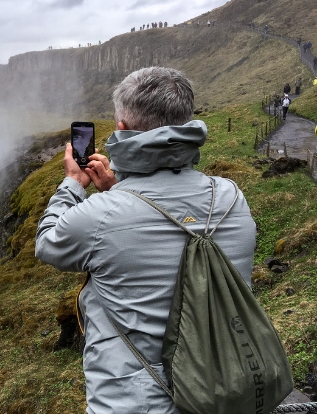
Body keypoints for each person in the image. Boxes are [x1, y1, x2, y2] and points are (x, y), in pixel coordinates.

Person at [35, 66, 256, 414]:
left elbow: (48, 242)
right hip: (224, 396)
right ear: (187, 123)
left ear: (121, 129)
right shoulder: (232, 198)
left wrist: (74, 184)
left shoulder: (102, 214)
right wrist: (118, 189)